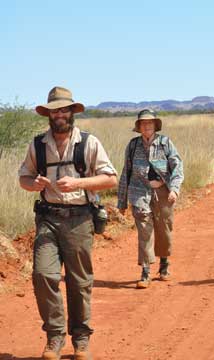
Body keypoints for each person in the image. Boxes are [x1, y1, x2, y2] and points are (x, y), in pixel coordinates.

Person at [18, 86, 117, 360]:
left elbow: (110, 178)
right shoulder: (38, 144)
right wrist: (33, 183)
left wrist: (78, 182)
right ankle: (54, 337)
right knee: (43, 275)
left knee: (79, 281)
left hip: (79, 219)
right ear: (48, 115)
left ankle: (81, 338)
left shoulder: (89, 143)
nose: (59, 114)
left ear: (72, 112)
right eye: (54, 110)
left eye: (64, 109)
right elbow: (23, 178)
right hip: (48, 218)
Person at [117, 109, 184, 289]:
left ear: (155, 125)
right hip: (139, 192)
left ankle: (164, 264)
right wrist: (121, 201)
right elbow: (126, 173)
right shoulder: (133, 146)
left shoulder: (165, 143)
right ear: (138, 127)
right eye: (143, 123)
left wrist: (175, 189)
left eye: (150, 123)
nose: (146, 126)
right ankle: (145, 270)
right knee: (144, 229)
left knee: (164, 227)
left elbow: (177, 167)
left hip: (163, 192)